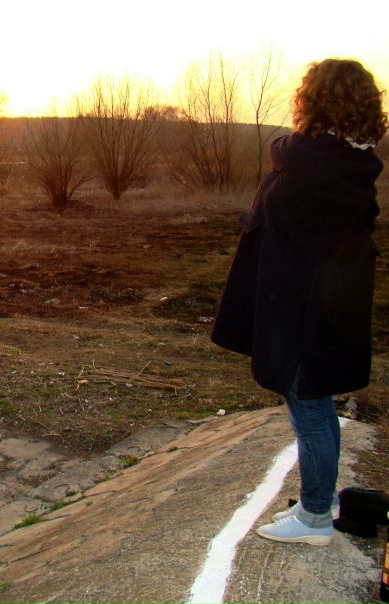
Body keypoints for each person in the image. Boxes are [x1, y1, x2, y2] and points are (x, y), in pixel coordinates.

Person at [211, 58, 387, 546]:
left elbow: (283, 157)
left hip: (300, 308)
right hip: (327, 305)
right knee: (316, 405)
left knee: (308, 410)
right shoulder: (353, 163)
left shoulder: (309, 162)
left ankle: (313, 518)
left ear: (315, 101)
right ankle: (319, 501)